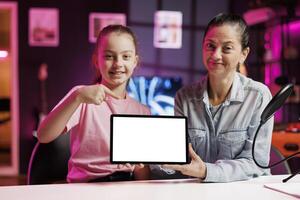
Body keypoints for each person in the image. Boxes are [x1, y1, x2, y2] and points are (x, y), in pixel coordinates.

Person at [151, 13, 274, 182]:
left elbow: (255, 163)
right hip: (200, 193)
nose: (216, 55)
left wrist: (207, 171)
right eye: (210, 45)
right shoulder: (184, 97)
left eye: (227, 48)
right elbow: (182, 161)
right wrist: (153, 159)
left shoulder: (258, 96)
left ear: (243, 54)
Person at [37, 25, 150, 183]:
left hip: (125, 185)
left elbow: (141, 168)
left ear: (135, 62)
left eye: (126, 57)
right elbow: (43, 135)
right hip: (86, 186)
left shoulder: (142, 111)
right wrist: (76, 97)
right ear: (96, 60)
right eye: (109, 56)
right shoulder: (81, 97)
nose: (118, 63)